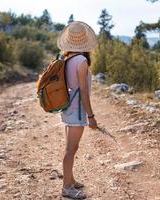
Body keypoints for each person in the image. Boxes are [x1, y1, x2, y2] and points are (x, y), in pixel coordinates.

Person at [57, 21, 98, 199]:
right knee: (71, 149)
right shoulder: (81, 60)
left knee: (71, 147)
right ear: (85, 41)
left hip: (67, 107)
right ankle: (67, 188)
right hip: (77, 110)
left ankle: (70, 179)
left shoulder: (66, 58)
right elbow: (83, 92)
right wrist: (91, 116)